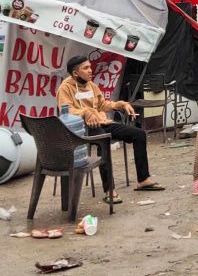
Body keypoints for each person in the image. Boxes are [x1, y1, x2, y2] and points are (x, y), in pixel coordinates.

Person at [56, 55, 164, 203]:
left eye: (90, 67)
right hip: (84, 128)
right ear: (75, 73)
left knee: (139, 134)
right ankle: (109, 190)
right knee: (104, 142)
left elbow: (102, 104)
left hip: (102, 122)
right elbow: (65, 110)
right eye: (86, 68)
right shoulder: (65, 88)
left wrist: (121, 104)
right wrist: (85, 113)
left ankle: (143, 179)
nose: (90, 70)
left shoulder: (91, 85)